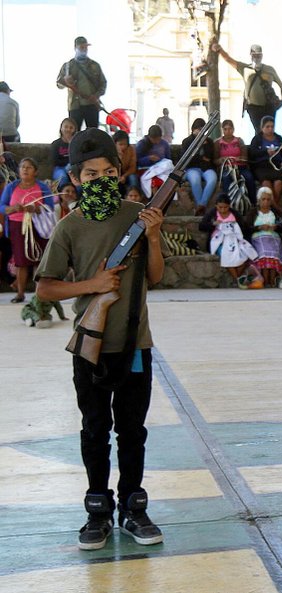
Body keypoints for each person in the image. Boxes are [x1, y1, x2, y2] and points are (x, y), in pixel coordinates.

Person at [35, 127, 165, 550]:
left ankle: (133, 505)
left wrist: (154, 236)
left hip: (136, 345)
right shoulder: (69, 227)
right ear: (75, 178)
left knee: (133, 431)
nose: (102, 180)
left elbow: (156, 277)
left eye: (110, 171)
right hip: (90, 344)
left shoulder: (136, 216)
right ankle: (97, 508)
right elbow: (46, 289)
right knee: (94, 429)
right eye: (92, 174)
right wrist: (91, 285)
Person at [1, 158, 55, 302]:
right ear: (19, 170)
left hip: (38, 226)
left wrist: (36, 209)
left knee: (38, 258)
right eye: (22, 167)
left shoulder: (42, 187)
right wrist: (13, 208)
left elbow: (50, 207)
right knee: (21, 260)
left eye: (29, 167)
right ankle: (20, 293)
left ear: (35, 171)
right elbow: (2, 206)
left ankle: (39, 293)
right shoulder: (12, 187)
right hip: (17, 226)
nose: (25, 170)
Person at [214, 42, 282, 134]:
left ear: (262, 55)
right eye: (254, 55)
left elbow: (281, 86)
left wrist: (281, 101)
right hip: (253, 106)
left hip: (269, 106)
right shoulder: (244, 68)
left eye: (258, 55)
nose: (256, 57)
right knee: (258, 130)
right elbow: (228, 59)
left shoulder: (269, 69)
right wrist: (219, 49)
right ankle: (259, 147)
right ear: (251, 55)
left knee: (269, 129)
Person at [56, 36, 107, 130]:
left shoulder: (95, 66)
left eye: (85, 47)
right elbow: (59, 84)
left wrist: (96, 95)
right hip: (75, 106)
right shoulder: (68, 66)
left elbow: (103, 84)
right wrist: (65, 81)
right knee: (74, 134)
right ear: (75, 48)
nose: (84, 50)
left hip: (91, 104)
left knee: (93, 134)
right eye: (81, 47)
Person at [199, 194, 254, 282]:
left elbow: (244, 229)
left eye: (225, 207)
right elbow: (201, 226)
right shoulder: (212, 213)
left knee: (247, 255)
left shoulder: (235, 214)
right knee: (226, 255)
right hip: (218, 242)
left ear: (229, 206)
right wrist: (213, 224)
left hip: (234, 241)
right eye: (220, 207)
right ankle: (237, 280)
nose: (223, 210)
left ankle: (236, 279)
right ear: (216, 206)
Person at [248, 187, 282, 287]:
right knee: (264, 252)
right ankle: (266, 281)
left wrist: (276, 227)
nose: (266, 202)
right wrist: (259, 227)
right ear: (259, 200)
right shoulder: (253, 212)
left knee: (274, 253)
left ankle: (272, 281)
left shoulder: (275, 213)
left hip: (273, 238)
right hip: (258, 239)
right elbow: (247, 228)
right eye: (263, 199)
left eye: (268, 199)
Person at [214, 119, 256, 209]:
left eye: (230, 129)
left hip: (240, 167)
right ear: (222, 130)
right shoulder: (218, 143)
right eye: (225, 129)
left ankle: (253, 203)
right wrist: (222, 160)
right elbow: (215, 160)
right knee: (226, 179)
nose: (228, 131)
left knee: (249, 178)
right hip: (226, 168)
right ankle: (227, 204)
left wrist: (239, 159)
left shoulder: (239, 141)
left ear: (233, 129)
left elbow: (245, 158)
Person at [249, 116, 282, 207]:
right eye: (267, 127)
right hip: (261, 166)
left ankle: (273, 206)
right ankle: (276, 207)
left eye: (272, 126)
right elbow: (252, 153)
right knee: (266, 182)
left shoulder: (278, 138)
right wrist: (265, 152)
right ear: (262, 128)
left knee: (278, 181)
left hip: (276, 166)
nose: (270, 129)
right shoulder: (257, 139)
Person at [180, 118, 218, 212]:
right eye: (198, 129)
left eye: (203, 129)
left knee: (212, 180)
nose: (201, 131)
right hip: (192, 168)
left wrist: (204, 146)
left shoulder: (208, 141)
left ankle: (201, 204)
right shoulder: (187, 141)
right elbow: (187, 158)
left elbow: (210, 158)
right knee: (195, 180)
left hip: (207, 168)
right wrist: (201, 157)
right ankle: (201, 206)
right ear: (193, 129)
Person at [135, 125, 172, 198]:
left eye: (158, 139)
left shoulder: (164, 144)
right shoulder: (142, 144)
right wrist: (148, 158)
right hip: (146, 169)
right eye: (154, 139)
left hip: (161, 169)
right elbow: (137, 161)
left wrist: (161, 161)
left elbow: (168, 159)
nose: (156, 141)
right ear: (149, 137)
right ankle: (155, 200)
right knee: (153, 181)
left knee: (165, 179)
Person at [51, 118, 78, 189]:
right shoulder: (55, 143)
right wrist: (67, 166)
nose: (68, 129)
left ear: (74, 129)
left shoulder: (77, 143)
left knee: (79, 180)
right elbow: (55, 160)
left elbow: (79, 157)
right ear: (61, 128)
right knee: (62, 178)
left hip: (74, 167)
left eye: (71, 127)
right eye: (66, 127)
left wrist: (71, 144)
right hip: (60, 168)